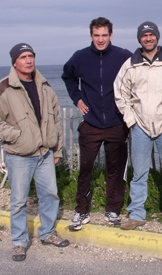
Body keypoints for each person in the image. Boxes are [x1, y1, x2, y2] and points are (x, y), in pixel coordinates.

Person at [0, 43, 69, 262]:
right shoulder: (5, 88)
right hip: (19, 156)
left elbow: (55, 119)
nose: (28, 60)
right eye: (23, 57)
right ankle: (19, 242)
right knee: (19, 200)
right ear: (15, 62)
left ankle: (47, 232)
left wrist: (56, 148)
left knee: (50, 195)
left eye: (31, 56)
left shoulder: (45, 86)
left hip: (45, 154)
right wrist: (17, 136)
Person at [62, 17, 132, 231]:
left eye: (104, 35)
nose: (100, 40)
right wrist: (78, 98)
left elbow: (137, 78)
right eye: (96, 35)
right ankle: (81, 211)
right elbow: (68, 77)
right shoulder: (80, 57)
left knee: (115, 169)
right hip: (91, 122)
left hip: (116, 122)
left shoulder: (124, 56)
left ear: (111, 35)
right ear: (91, 35)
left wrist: (128, 104)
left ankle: (113, 209)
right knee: (85, 168)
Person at [113, 21, 162, 230]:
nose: (148, 38)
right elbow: (120, 93)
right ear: (139, 38)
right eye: (144, 35)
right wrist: (131, 120)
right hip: (140, 126)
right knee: (139, 172)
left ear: (157, 37)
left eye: (151, 34)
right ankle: (136, 213)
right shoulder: (130, 65)